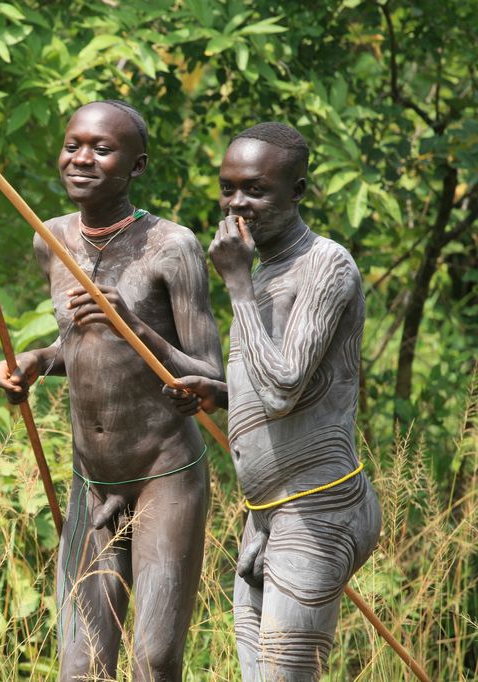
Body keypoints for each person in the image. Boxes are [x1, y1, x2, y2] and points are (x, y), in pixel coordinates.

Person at [0, 100, 223, 681]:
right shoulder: (52, 238)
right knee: (81, 665)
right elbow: (78, 348)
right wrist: (35, 361)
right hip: (92, 477)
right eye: (74, 145)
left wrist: (133, 324)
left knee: (155, 657)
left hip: (162, 474)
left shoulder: (172, 246)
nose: (82, 159)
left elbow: (211, 378)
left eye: (102, 149)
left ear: (136, 166)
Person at [163, 122, 381, 680]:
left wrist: (235, 284)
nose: (238, 204)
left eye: (256, 190)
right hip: (265, 516)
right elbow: (271, 381)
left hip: (319, 508)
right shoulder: (264, 269)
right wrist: (218, 392)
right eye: (228, 188)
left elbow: (282, 390)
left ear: (298, 191)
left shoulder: (325, 266)